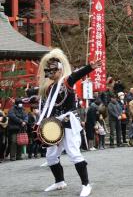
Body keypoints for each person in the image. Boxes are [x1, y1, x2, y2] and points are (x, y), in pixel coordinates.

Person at [37, 48, 101, 196]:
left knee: (73, 153)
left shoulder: (67, 81)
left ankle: (86, 184)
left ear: (60, 69)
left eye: (53, 70)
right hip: (55, 123)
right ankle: (60, 181)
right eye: (49, 70)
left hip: (68, 120)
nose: (50, 73)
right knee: (51, 156)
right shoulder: (49, 88)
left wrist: (90, 67)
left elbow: (77, 75)